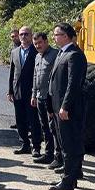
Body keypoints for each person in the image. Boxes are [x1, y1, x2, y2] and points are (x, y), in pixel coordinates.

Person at [48, 22, 88, 190]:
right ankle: (70, 177)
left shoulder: (74, 55)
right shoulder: (62, 53)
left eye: (57, 34)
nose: (54, 37)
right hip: (58, 107)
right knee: (65, 143)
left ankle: (68, 181)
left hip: (68, 109)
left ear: (66, 36)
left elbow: (73, 84)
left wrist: (65, 106)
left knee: (70, 145)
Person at [8, 26, 42, 156]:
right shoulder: (15, 52)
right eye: (21, 34)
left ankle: (36, 147)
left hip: (32, 92)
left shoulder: (37, 52)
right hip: (17, 92)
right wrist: (10, 90)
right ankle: (24, 144)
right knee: (20, 120)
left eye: (26, 34)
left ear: (31, 35)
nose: (23, 36)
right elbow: (12, 73)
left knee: (33, 121)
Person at [30, 31, 61, 167]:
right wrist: (33, 95)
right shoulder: (37, 57)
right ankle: (48, 154)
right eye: (35, 44)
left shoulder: (55, 55)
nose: (38, 46)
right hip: (40, 97)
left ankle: (58, 156)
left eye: (40, 43)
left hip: (51, 99)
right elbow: (35, 77)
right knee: (45, 127)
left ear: (46, 41)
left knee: (54, 128)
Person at [9, 29, 20, 130]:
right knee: (17, 106)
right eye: (12, 37)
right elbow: (11, 71)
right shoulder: (13, 50)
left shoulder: (29, 48)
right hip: (16, 83)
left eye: (16, 36)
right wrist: (10, 90)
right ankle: (18, 123)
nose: (14, 38)